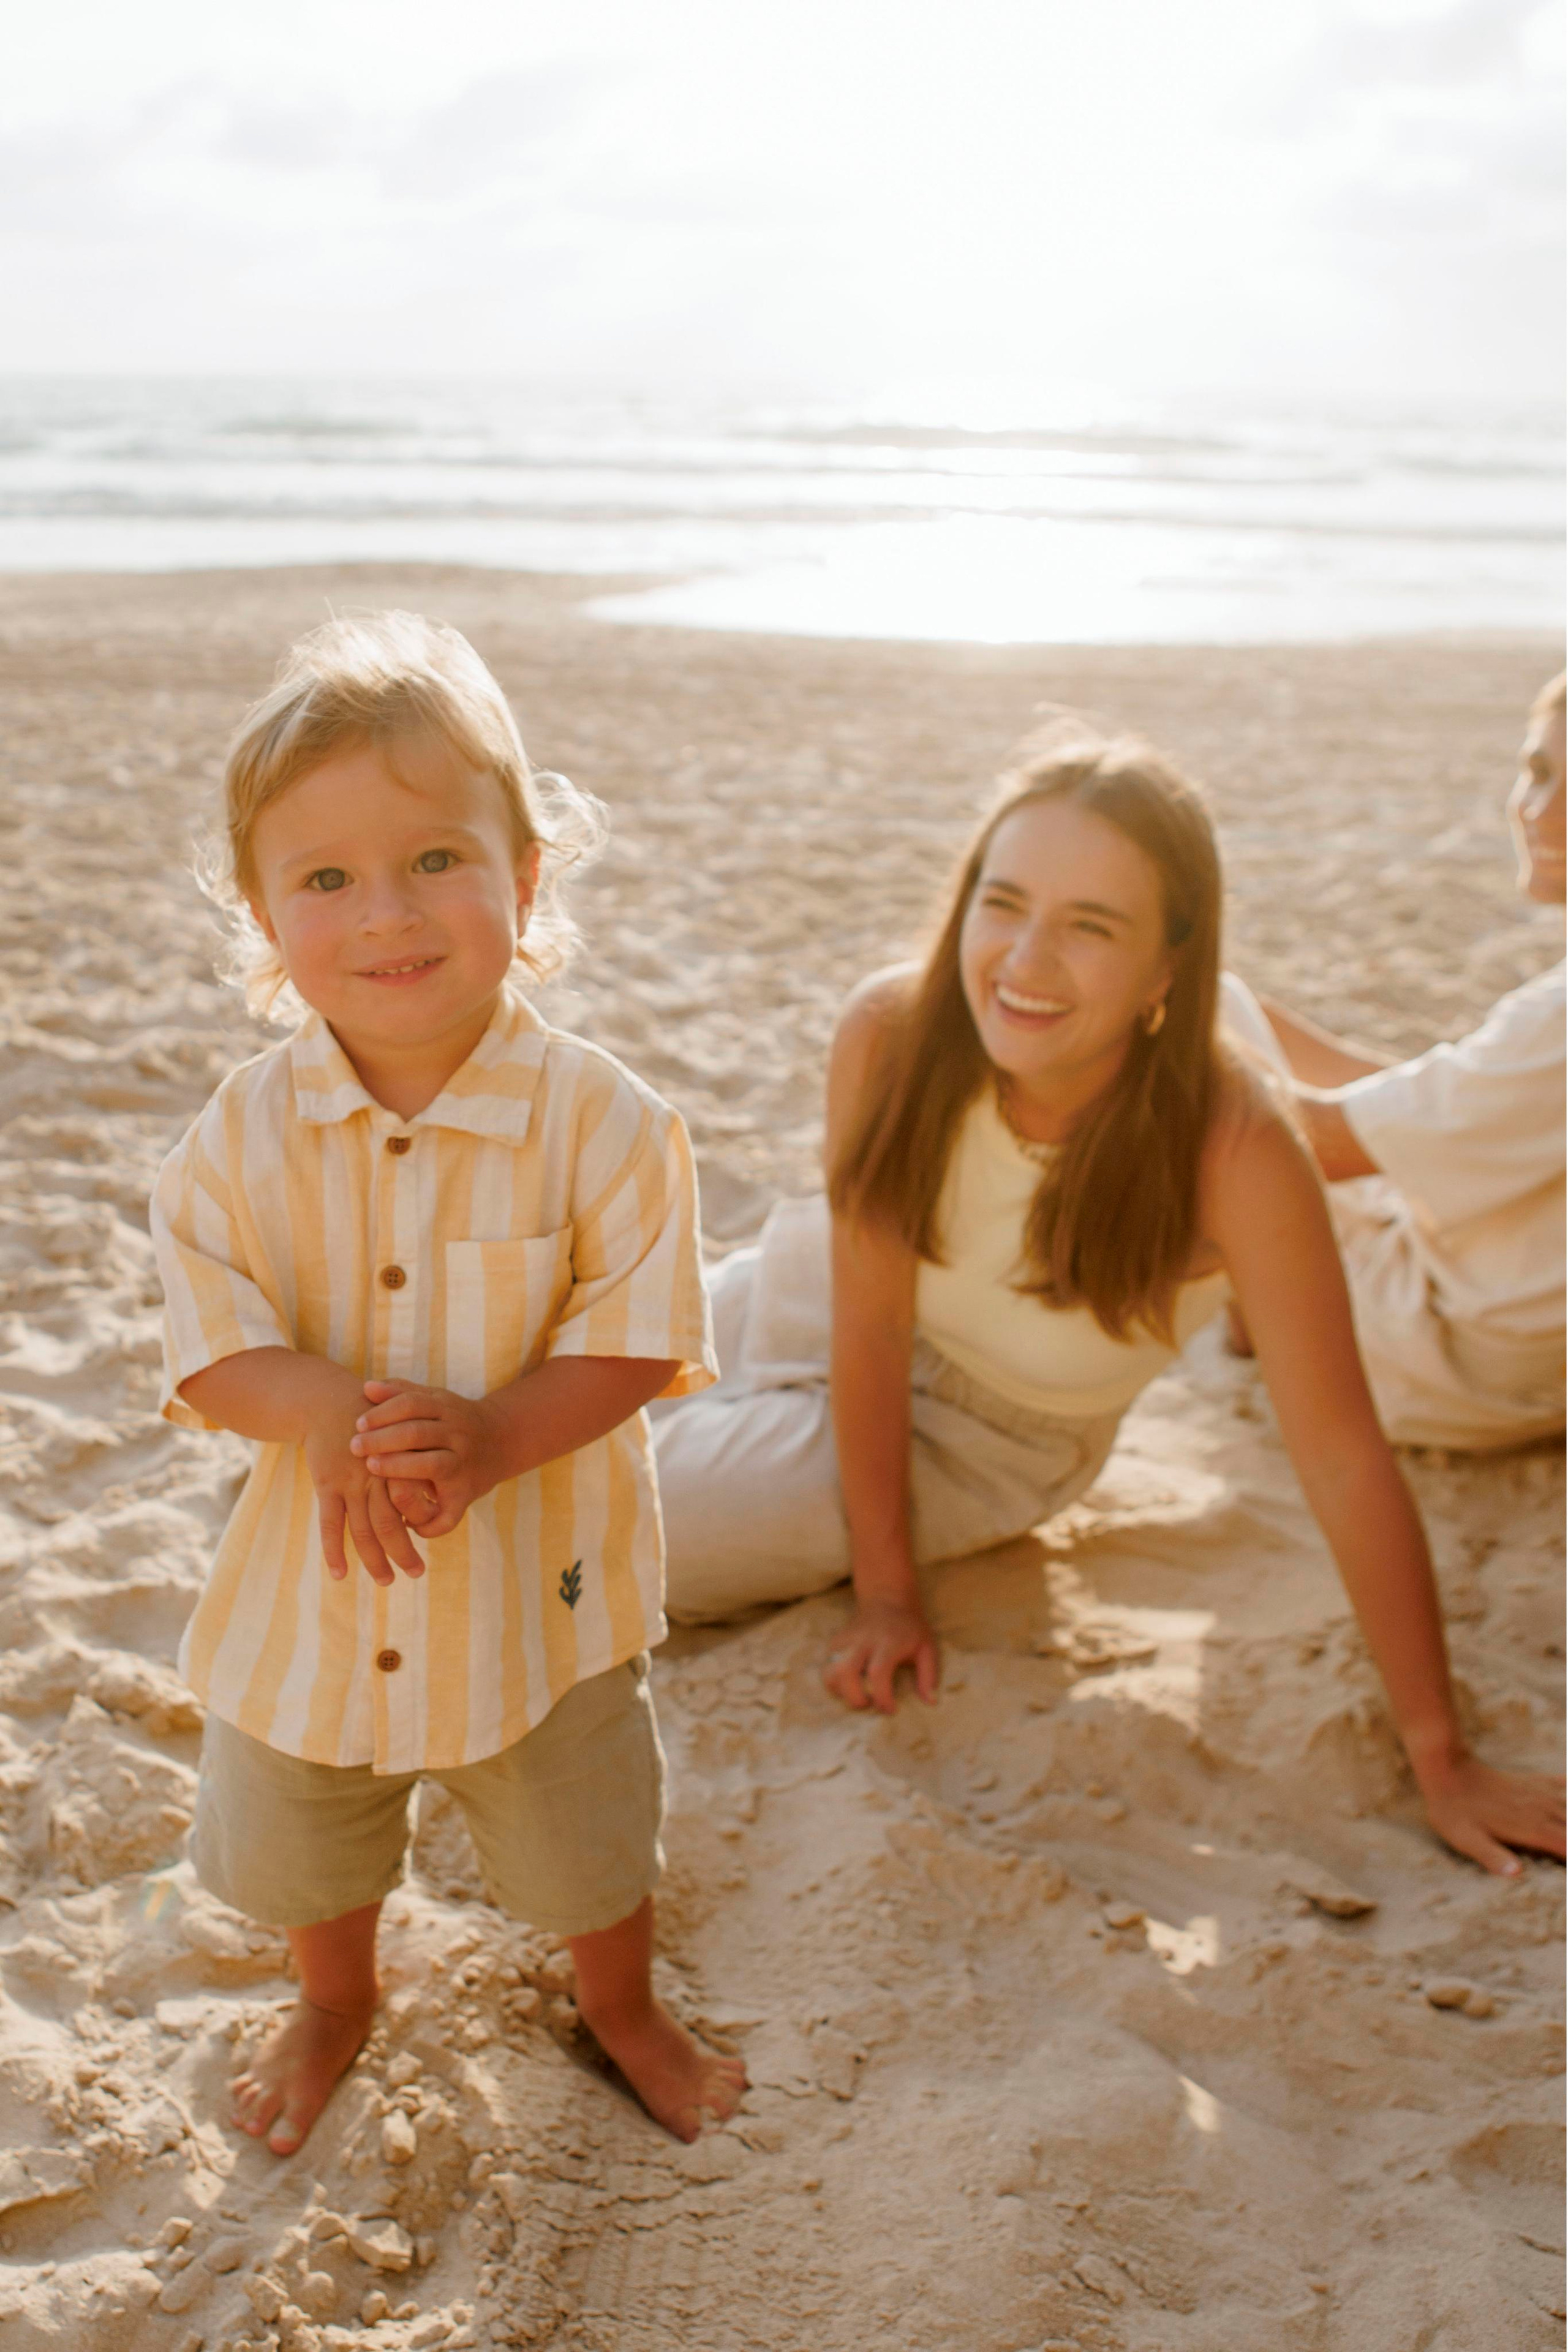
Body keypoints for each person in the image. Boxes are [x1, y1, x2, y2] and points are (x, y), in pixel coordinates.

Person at [652, 730, 1564, 1877]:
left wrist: (1444, 1757)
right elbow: (871, 1318)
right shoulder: (890, 1028)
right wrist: (887, 1590)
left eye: (1092, 927)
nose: (1027, 960)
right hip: (805, 1292)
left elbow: (1341, 1456)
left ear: (1166, 971)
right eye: (1006, 903)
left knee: (611, 1533)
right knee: (528, 1390)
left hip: (983, 1437)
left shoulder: (1236, 1148)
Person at [151, 611, 744, 2154]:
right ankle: (334, 1996)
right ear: (267, 918)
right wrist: (316, 1409)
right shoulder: (237, 1133)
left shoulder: (606, 1121)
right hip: (318, 1595)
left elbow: (634, 1332)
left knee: (585, 1835)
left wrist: (496, 1432)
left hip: (531, 1598)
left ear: (525, 876)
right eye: (325, 878)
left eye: (434, 858)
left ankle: (618, 2004)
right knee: (310, 1829)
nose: (385, 912)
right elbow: (211, 1338)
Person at [1225, 671, 1565, 1449]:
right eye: (1537, 772)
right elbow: (1441, 1103)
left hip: (1439, 1356)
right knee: (1245, 1015)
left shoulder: (1556, 1020)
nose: (1540, 812)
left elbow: (1317, 1147)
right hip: (1529, 1354)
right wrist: (1266, 1022)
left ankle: (1247, 1311)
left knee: (1207, 1018)